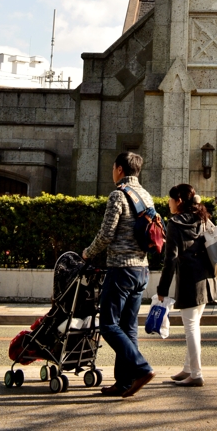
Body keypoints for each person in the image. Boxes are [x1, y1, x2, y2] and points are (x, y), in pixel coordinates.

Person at [82, 151, 155, 397]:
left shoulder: (118, 195)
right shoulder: (146, 196)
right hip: (141, 270)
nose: (112, 172)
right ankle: (125, 382)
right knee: (128, 327)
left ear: (120, 170)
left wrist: (87, 253)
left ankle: (142, 368)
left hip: (121, 269)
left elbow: (106, 235)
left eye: (113, 167)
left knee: (108, 325)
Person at [157, 183, 217, 387]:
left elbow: (171, 259)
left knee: (190, 326)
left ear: (179, 201)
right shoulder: (202, 218)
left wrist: (162, 289)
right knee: (194, 324)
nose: (168, 202)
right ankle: (188, 368)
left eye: (171, 199)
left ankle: (197, 374)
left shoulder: (175, 223)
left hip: (189, 279)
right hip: (206, 277)